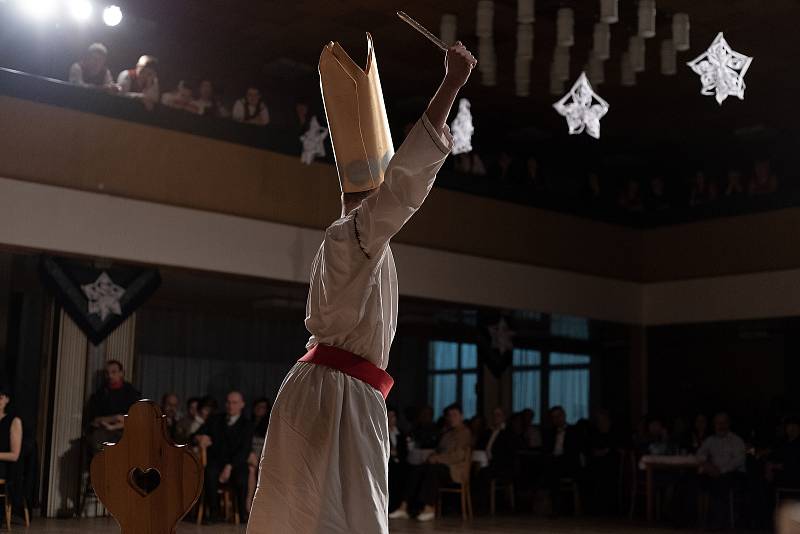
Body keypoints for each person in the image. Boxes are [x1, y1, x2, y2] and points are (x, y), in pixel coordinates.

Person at [246, 35, 475, 534]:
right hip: (337, 393)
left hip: (336, 388)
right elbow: (405, 185)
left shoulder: (362, 240)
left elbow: (402, 186)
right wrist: (450, 86)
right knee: (334, 517)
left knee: (313, 514)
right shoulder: (355, 236)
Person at [390, 404, 472, 522]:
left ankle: (429, 507)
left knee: (432, 470)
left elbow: (458, 456)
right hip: (442, 465)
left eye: (455, 415)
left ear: (461, 416)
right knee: (417, 469)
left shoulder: (465, 433)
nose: (451, 418)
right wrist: (433, 456)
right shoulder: (447, 433)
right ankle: (404, 506)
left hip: (455, 469)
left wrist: (438, 458)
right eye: (449, 415)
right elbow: (439, 449)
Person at [194, 391, 253, 524]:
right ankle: (214, 512)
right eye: (228, 402)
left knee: (243, 475)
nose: (230, 406)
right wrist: (200, 437)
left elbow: (245, 451)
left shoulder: (247, 425)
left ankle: (242, 512)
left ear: (242, 405)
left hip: (236, 463)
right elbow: (195, 435)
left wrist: (229, 466)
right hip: (217, 461)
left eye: (234, 403)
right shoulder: (215, 419)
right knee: (209, 472)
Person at [696, 412, 746, 528]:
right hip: (713, 472)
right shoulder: (710, 440)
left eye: (723, 423)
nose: (721, 426)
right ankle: (700, 520)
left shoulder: (736, 440)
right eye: (718, 423)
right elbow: (699, 455)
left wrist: (720, 470)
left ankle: (719, 521)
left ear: (728, 424)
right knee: (697, 480)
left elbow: (738, 461)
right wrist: (708, 466)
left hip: (733, 474)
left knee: (721, 482)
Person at [85, 360, 141, 454]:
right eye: (107, 373)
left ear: (121, 373)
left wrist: (120, 422)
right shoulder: (100, 394)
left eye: (114, 372)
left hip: (126, 432)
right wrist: (115, 418)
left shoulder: (131, 393)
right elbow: (94, 419)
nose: (110, 376)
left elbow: (136, 418)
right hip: (104, 433)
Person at [543, 405, 582, 516]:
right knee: (549, 468)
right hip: (554, 462)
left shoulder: (573, 431)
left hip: (568, 463)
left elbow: (574, 452)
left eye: (559, 416)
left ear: (564, 416)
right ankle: (551, 507)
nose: (557, 419)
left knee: (554, 469)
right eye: (554, 417)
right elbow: (547, 450)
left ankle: (559, 508)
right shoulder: (550, 433)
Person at [0, 386, 22, 482]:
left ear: (7, 399)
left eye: (0, 398)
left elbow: (15, 455)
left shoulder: (14, 421)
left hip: (3, 472)